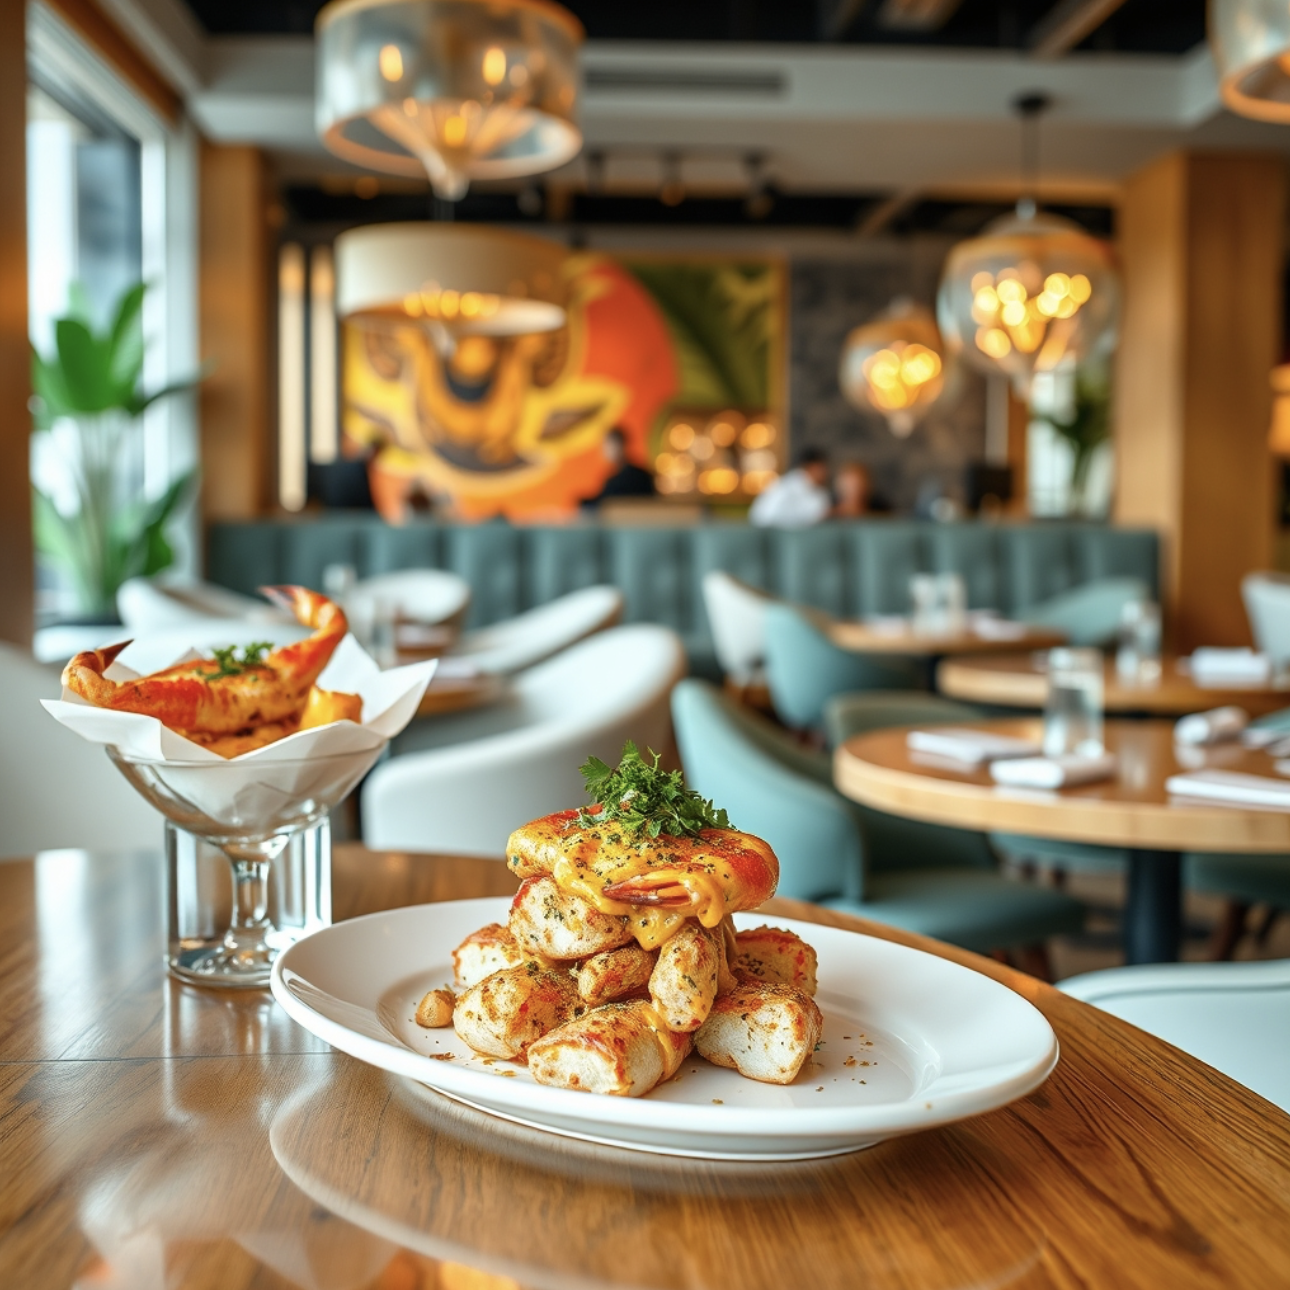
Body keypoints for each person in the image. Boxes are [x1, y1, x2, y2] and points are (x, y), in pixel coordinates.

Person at [749, 447, 831, 528]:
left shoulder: (820, 490)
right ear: (810, 467)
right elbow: (763, 517)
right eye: (822, 467)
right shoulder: (784, 486)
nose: (826, 472)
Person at [584, 428, 655, 507]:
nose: (603, 450)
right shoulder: (639, 474)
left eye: (607, 445)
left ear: (618, 446)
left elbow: (606, 503)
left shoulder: (630, 478)